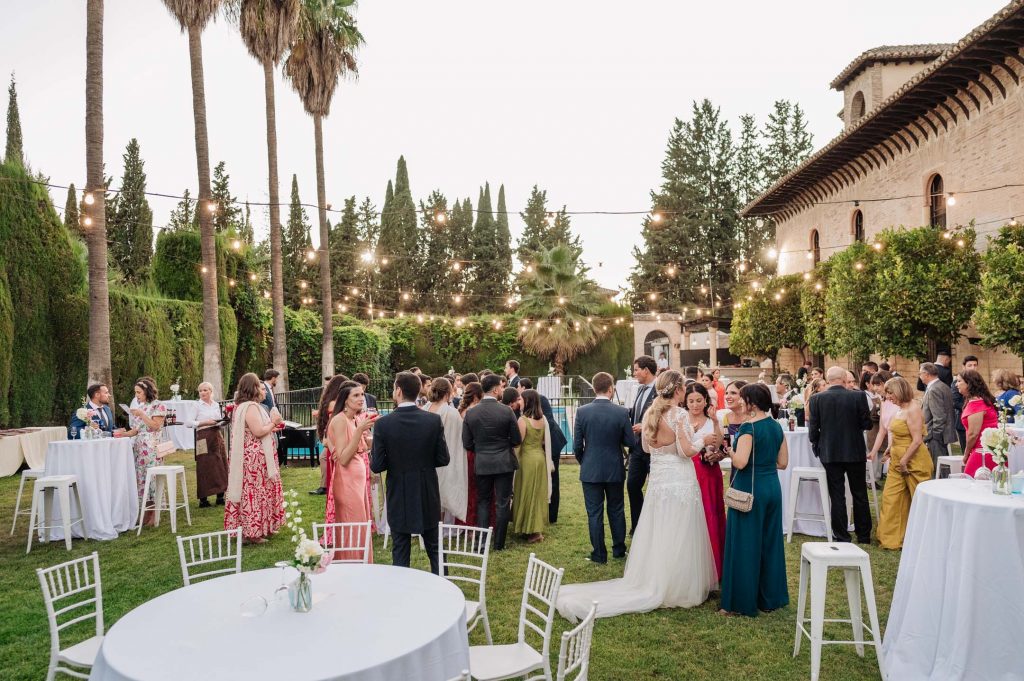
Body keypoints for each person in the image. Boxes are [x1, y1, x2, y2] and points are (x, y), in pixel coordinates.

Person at [556, 370, 716, 622]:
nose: (686, 391)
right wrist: (702, 438)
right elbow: (686, 452)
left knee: (659, 528)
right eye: (684, 388)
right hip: (679, 479)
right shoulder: (679, 414)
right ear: (677, 390)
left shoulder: (651, 413)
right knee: (680, 528)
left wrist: (675, 443)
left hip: (659, 480)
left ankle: (655, 577)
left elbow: (645, 447)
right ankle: (677, 584)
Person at [719, 383, 789, 617]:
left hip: (749, 490)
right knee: (769, 543)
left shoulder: (749, 427)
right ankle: (769, 599)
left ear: (752, 403)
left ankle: (740, 602)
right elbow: (783, 463)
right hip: (771, 487)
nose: (739, 402)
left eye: (743, 398)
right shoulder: (776, 426)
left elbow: (740, 462)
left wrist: (728, 449)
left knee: (744, 544)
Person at [371, 372, 449, 573]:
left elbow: (377, 465)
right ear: (417, 392)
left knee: (401, 549)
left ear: (398, 391)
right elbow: (443, 458)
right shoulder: (432, 421)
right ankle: (444, 589)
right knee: (435, 548)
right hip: (426, 490)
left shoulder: (382, 424)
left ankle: (401, 592)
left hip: (399, 491)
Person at [573, 372, 634, 564]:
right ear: (611, 389)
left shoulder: (582, 412)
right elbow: (630, 441)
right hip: (614, 468)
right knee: (616, 509)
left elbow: (576, 446)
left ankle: (599, 554)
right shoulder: (621, 412)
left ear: (593, 388)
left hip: (590, 469)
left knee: (594, 513)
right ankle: (618, 550)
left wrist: (586, 462)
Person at [807, 366, 872, 544]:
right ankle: (864, 535)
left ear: (828, 380)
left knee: (836, 494)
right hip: (854, 450)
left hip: (830, 451)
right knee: (859, 493)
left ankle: (842, 535)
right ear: (844, 379)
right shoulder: (858, 396)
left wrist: (817, 445)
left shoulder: (816, 399)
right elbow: (867, 424)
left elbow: (813, 429)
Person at [462, 373, 522, 550]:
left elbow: (466, 443)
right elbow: (517, 439)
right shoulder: (507, 411)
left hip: (482, 462)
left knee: (483, 501)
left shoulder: (471, 413)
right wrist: (504, 445)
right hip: (504, 462)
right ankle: (498, 543)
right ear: (496, 389)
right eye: (502, 388)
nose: (503, 390)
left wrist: (481, 450)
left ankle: (481, 542)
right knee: (502, 502)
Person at [225, 373, 284, 543]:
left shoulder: (244, 406)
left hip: (254, 456)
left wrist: (270, 428)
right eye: (260, 386)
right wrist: (274, 422)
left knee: (258, 492)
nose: (263, 390)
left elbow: (253, 429)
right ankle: (252, 533)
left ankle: (261, 528)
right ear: (253, 388)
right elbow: (258, 432)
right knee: (254, 493)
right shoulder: (250, 406)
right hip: (254, 459)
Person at [876, 377, 932, 550]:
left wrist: (904, 461)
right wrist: (889, 449)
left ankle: (924, 539)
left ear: (899, 391)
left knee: (918, 500)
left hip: (914, 461)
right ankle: (891, 539)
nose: (888, 397)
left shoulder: (913, 409)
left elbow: (916, 440)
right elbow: (899, 433)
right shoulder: (899, 409)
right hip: (897, 461)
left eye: (890, 393)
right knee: (891, 498)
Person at [326, 380, 377, 561]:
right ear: (345, 400)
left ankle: (362, 564)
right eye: (355, 395)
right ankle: (352, 565)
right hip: (347, 482)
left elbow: (360, 447)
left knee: (361, 524)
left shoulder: (354, 418)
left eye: (362, 394)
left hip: (358, 480)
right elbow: (343, 457)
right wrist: (359, 431)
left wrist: (368, 435)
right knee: (352, 526)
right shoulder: (340, 420)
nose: (361, 398)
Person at [683, 383, 726, 580]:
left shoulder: (711, 420)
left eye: (698, 400)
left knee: (710, 512)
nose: (695, 405)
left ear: (705, 400)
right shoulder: (681, 419)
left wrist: (716, 422)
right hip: (687, 470)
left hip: (708, 472)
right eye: (691, 401)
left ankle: (715, 564)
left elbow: (718, 445)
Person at [519, 377, 568, 523]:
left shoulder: (541, 399)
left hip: (552, 442)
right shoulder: (523, 406)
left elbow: (549, 421)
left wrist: (539, 438)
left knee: (553, 477)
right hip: (538, 444)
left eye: (518, 388)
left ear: (523, 389)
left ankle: (552, 515)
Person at [124, 379, 167, 526]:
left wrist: (142, 414)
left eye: (139, 392)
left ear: (147, 391)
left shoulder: (158, 405)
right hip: (139, 449)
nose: (136, 395)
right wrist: (121, 434)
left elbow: (155, 426)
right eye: (135, 392)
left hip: (152, 448)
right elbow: (136, 430)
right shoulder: (141, 406)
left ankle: (155, 513)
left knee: (153, 479)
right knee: (142, 480)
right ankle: (145, 511)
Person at [425, 377, 468, 523]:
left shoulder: (425, 409)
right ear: (448, 392)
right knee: (442, 491)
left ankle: (432, 524)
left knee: (432, 492)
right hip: (445, 457)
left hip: (427, 458)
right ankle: (439, 525)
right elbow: (460, 436)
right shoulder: (452, 413)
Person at [512, 389, 553, 543]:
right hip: (540, 459)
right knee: (537, 493)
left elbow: (517, 444)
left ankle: (529, 530)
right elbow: (543, 441)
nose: (518, 402)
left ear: (527, 401)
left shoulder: (523, 420)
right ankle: (535, 529)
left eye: (520, 400)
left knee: (526, 492)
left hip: (527, 460)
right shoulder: (542, 419)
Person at [626, 355, 658, 535]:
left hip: (655, 447)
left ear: (646, 370)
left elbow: (663, 416)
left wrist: (645, 426)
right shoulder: (639, 390)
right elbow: (635, 413)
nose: (634, 373)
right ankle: (638, 526)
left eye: (636, 369)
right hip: (637, 447)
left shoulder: (660, 391)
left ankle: (653, 527)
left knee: (655, 488)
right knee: (632, 486)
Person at [190, 381, 228, 508]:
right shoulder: (196, 405)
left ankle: (220, 495)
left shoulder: (216, 405)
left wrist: (223, 421)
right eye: (200, 391)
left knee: (220, 463)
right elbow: (188, 423)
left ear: (211, 391)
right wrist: (204, 422)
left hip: (216, 435)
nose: (202, 393)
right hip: (203, 437)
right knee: (204, 465)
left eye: (205, 390)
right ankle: (203, 499)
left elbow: (217, 421)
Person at [956, 370, 1000, 477]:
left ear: (969, 383)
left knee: (970, 484)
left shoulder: (976, 404)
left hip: (982, 452)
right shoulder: (982, 400)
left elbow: (973, 434)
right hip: (991, 450)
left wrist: (966, 454)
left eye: (959, 381)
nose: (956, 384)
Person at [919, 363, 956, 472]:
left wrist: (934, 435)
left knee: (938, 467)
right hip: (941, 434)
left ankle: (942, 486)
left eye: (920, 373)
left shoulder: (934, 389)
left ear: (926, 374)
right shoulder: (943, 386)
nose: (919, 376)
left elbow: (939, 416)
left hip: (937, 436)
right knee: (942, 464)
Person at [457, 381, 485, 527]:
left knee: (468, 489)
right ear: (476, 396)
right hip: (474, 452)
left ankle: (468, 522)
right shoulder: (474, 411)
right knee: (476, 489)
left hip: (464, 453)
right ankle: (474, 524)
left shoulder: (462, 411)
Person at [866, 371, 895, 480]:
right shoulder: (883, 402)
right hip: (890, 445)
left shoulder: (900, 402)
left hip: (901, 445)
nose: (875, 388)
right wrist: (873, 452)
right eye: (873, 385)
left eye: (878, 384)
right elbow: (882, 431)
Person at [952, 355, 979, 449]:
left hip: (978, 421)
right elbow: (955, 402)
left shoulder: (979, 381)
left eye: (975, 365)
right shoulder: (957, 382)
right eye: (970, 365)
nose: (973, 367)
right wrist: (973, 408)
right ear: (964, 367)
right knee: (966, 450)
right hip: (963, 422)